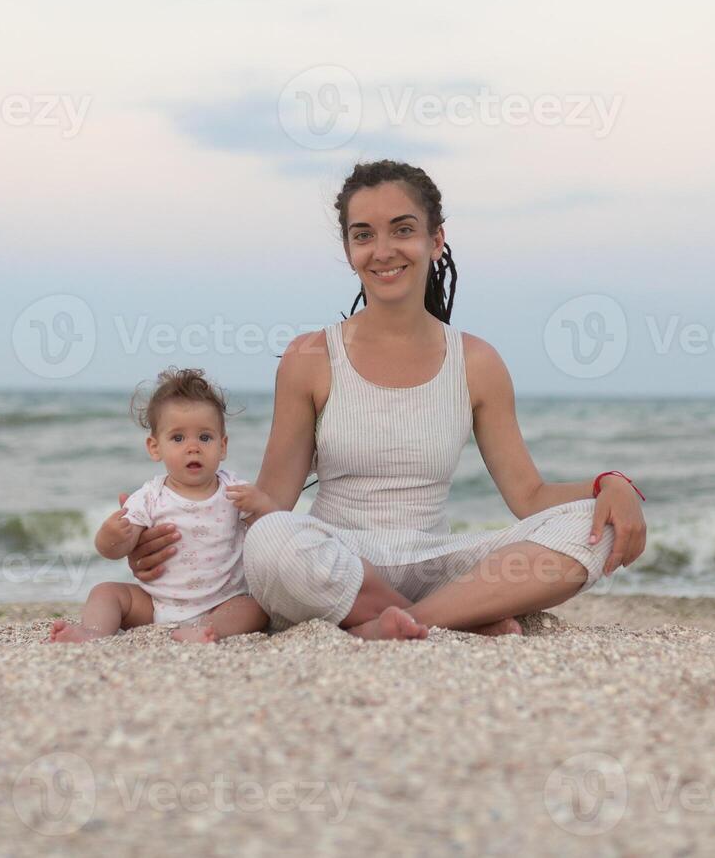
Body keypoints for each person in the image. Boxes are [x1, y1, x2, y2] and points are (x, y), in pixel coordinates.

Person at [125, 160, 647, 640]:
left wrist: (611, 483)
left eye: (402, 229)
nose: (383, 250)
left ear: (436, 240)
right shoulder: (310, 356)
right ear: (350, 250)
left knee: (591, 528)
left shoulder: (478, 362)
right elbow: (270, 504)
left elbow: (530, 496)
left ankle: (407, 622)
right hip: (336, 561)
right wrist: (170, 539)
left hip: (438, 565)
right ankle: (461, 621)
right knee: (273, 541)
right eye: (363, 235)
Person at [50, 368, 274, 643]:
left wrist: (262, 505)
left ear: (223, 446)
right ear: (155, 447)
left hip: (222, 603)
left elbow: (272, 532)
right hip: (156, 604)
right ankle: (93, 633)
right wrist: (111, 536)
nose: (193, 447)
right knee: (106, 591)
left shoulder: (234, 491)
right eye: (178, 438)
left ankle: (207, 630)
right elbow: (117, 549)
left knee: (256, 607)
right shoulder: (149, 497)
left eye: (205, 437)